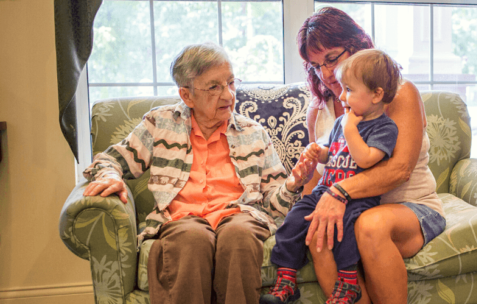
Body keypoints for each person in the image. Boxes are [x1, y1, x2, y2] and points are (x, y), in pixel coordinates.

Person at [82, 42, 316, 304]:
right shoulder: (161, 123)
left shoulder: (253, 133)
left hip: (239, 214)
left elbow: (275, 206)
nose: (228, 95)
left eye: (230, 83)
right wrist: (110, 176)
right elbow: (108, 161)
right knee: (191, 238)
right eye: (214, 87)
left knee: (239, 235)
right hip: (181, 219)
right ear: (187, 95)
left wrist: (293, 185)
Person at [297, 7, 447, 304]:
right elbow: (317, 177)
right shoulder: (320, 109)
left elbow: (398, 169)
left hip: (410, 208)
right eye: (316, 66)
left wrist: (338, 193)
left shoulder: (398, 94)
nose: (326, 74)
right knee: (316, 230)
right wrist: (302, 193)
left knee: (371, 224)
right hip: (352, 212)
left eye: (332, 58)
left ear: (359, 45)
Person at [261, 49, 401, 304]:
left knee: (344, 228)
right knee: (294, 219)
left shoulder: (384, 127)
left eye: (350, 89)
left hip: (358, 199)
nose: (342, 95)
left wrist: (350, 129)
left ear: (376, 94)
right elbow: (333, 154)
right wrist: (318, 152)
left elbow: (366, 159)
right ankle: (286, 279)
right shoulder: (341, 122)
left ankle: (348, 283)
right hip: (324, 191)